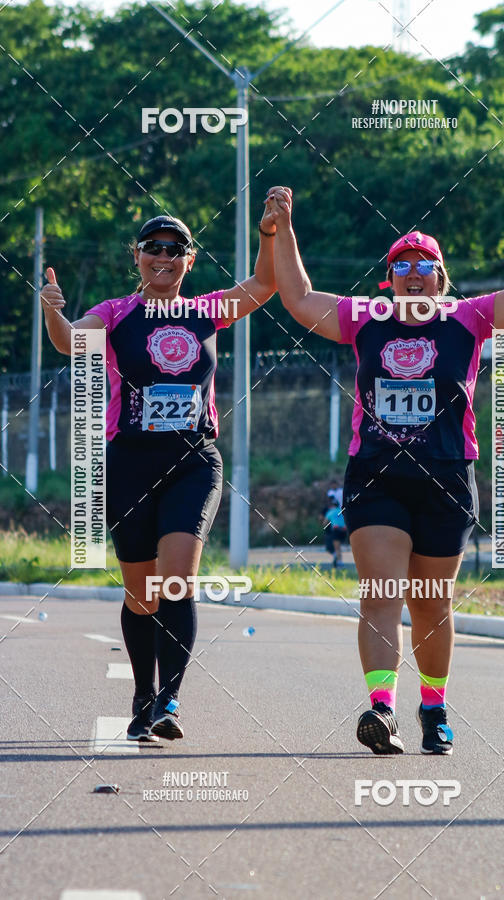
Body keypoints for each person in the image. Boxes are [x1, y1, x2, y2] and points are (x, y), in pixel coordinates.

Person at [269, 186, 504, 755]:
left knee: (432, 602)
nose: (414, 274)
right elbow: (298, 298)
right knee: (382, 590)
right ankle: (381, 710)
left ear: (441, 278)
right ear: (388, 279)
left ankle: (434, 708)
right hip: (376, 475)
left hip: (445, 477)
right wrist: (283, 228)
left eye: (426, 266)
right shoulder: (365, 318)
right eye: (402, 267)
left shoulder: (468, 318)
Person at [41, 199, 280, 741]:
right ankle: (143, 695)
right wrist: (51, 309)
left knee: (177, 580)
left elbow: (264, 285)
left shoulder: (207, 310)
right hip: (130, 462)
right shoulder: (114, 312)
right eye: (154, 248)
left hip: (193, 460)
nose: (164, 257)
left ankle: (169, 700)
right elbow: (69, 342)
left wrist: (269, 231)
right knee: (140, 594)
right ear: (139, 256)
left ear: (189, 261)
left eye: (176, 250)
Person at [323, 496, 347, 568]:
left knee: (337, 548)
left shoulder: (330, 512)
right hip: (344, 530)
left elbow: (325, 523)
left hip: (336, 530)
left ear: (331, 505)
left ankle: (339, 561)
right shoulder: (342, 511)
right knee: (339, 547)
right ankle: (339, 560)